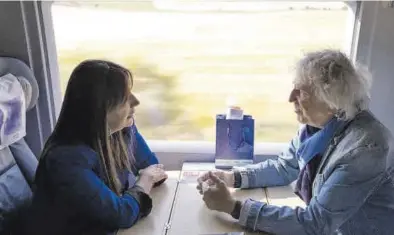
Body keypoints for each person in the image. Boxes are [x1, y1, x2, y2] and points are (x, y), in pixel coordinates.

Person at [197, 49, 394, 235]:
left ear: (331, 101)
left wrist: (233, 206)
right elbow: (283, 168)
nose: (291, 97)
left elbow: (315, 223)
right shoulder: (316, 129)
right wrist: (231, 178)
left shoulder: (366, 149)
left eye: (301, 91)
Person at [24, 60, 168, 235]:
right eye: (124, 98)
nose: (136, 101)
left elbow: (154, 169)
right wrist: (144, 181)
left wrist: (126, 125)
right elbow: (121, 214)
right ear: (100, 109)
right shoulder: (66, 160)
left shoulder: (114, 134)